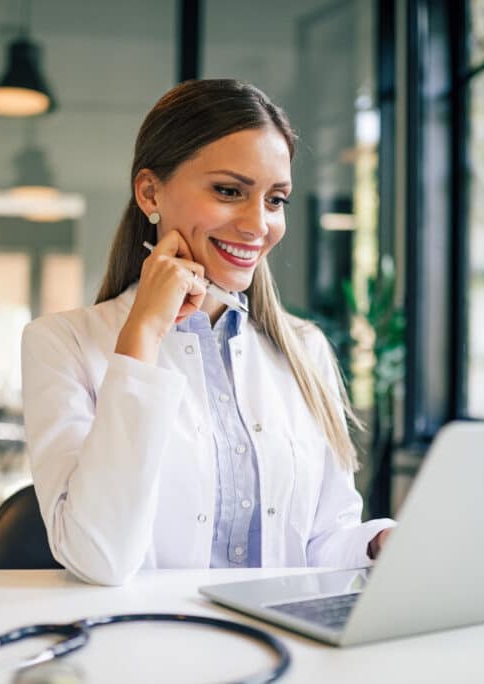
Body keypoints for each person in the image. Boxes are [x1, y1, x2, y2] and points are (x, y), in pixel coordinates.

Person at [21, 79, 394, 586]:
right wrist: (144, 332)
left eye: (275, 199)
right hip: (146, 649)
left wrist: (376, 543)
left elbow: (323, 537)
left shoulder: (304, 348)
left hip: (282, 645)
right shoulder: (60, 344)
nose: (258, 224)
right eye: (229, 191)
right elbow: (98, 558)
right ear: (150, 191)